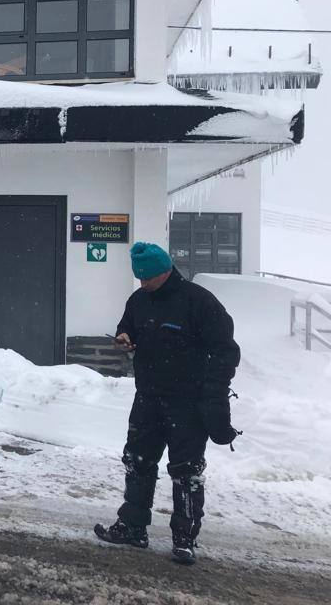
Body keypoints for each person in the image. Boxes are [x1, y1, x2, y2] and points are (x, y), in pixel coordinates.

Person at [94, 242, 240, 565]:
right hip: (147, 396)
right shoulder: (138, 301)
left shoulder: (198, 301)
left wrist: (214, 388)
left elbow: (226, 350)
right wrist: (123, 337)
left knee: (186, 471)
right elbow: (127, 326)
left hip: (187, 403)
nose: (143, 284)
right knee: (137, 460)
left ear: (166, 271)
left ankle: (185, 538)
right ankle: (133, 527)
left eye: (148, 278)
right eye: (140, 279)